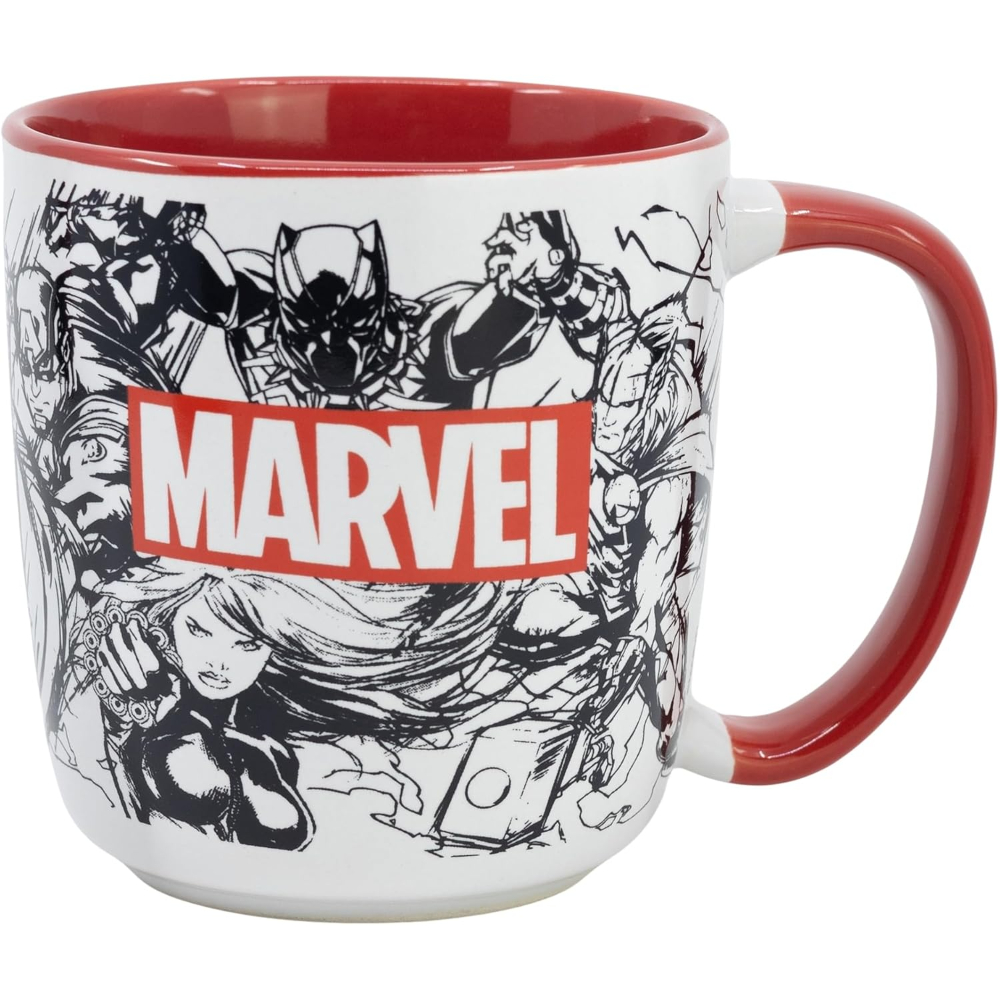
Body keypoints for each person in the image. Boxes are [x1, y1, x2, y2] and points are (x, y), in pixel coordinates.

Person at [75, 562, 516, 850]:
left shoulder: (263, 741)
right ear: (170, 618)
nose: (219, 662)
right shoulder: (144, 694)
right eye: (198, 630)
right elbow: (195, 783)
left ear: (274, 648)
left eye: (248, 644)